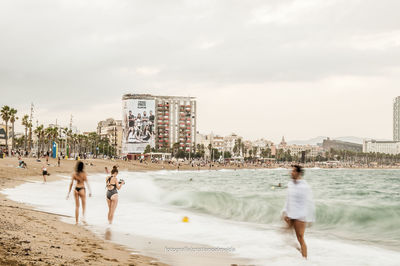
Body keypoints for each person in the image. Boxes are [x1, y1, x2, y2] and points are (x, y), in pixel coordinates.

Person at [282, 165, 315, 258]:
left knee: (300, 238)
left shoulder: (304, 186)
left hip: (300, 216)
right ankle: (298, 252)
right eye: (291, 171)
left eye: (293, 171)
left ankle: (305, 260)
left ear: (299, 173)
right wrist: (285, 211)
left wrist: (310, 218)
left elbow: (310, 202)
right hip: (291, 214)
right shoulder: (290, 184)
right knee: (286, 236)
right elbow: (288, 199)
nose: (291, 173)